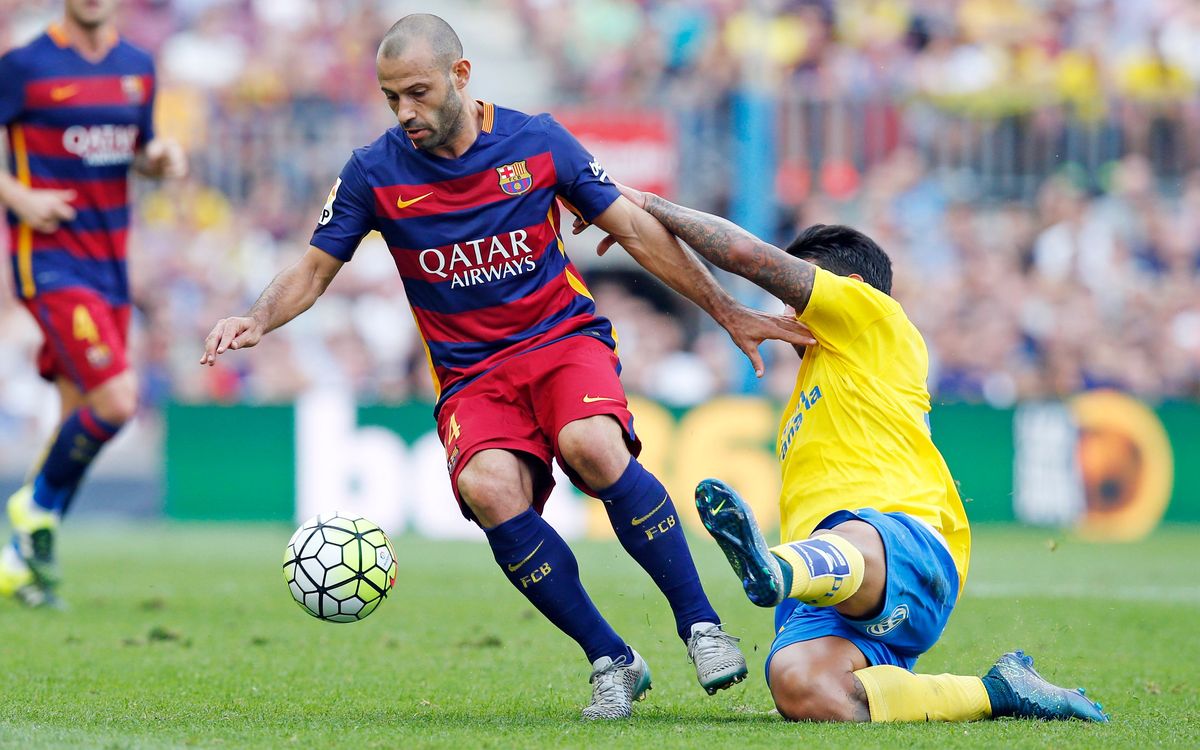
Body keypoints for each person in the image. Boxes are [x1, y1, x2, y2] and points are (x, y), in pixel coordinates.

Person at [200, 14, 812, 719]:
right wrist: (257, 318)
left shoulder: (536, 141)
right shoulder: (373, 171)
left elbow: (636, 229)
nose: (406, 112)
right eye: (392, 97)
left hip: (561, 341)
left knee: (592, 445)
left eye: (418, 92)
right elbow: (313, 271)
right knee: (489, 489)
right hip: (472, 375)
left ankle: (702, 625)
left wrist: (726, 309)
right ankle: (611, 659)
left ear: (460, 75)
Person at [591, 185, 1109, 723]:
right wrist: (634, 228)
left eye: (795, 295)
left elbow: (746, 256)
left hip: (906, 552)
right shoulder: (809, 392)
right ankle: (998, 691)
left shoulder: (871, 319)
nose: (786, 310)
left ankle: (777, 567)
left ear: (850, 288)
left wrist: (647, 204)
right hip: (829, 597)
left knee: (853, 533)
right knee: (800, 687)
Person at [0, 0, 187, 608]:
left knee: (75, 416)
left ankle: (20, 564)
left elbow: (139, 150)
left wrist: (159, 160)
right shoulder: (25, 65)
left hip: (110, 267)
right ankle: (34, 507)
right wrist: (19, 197)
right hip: (51, 263)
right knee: (116, 400)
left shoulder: (137, 66)